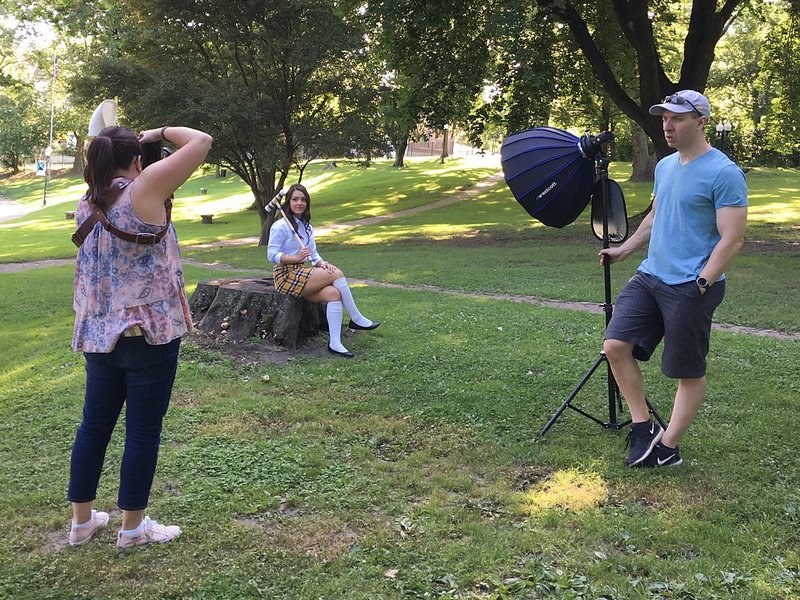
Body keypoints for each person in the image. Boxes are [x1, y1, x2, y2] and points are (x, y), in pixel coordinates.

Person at [67, 124, 213, 549]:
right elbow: (201, 142)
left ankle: (81, 523)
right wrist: (159, 132)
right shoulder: (143, 190)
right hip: (149, 335)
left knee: (93, 427)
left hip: (99, 335)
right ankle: (132, 530)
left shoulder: (87, 202)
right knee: (143, 431)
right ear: (136, 160)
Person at [598, 90, 747, 468]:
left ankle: (668, 449)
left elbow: (732, 239)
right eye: (665, 118)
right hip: (651, 276)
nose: (667, 125)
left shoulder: (724, 172)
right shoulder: (665, 166)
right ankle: (644, 427)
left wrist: (702, 283)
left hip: (691, 286)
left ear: (701, 122)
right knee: (615, 346)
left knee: (686, 370)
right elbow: (655, 216)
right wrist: (626, 249)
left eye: (677, 118)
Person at [266, 184, 379, 358]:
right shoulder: (280, 226)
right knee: (337, 274)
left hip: (301, 273)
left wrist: (321, 263)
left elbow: (313, 253)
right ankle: (356, 319)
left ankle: (335, 343)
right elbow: (272, 254)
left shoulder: (306, 227)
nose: (299, 203)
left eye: (303, 200)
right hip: (285, 275)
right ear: (288, 202)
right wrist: (294, 258)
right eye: (295, 199)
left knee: (334, 293)